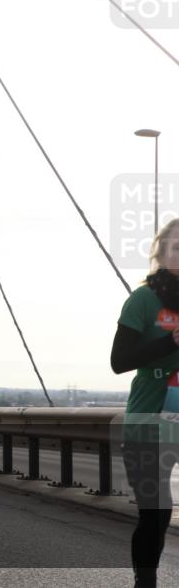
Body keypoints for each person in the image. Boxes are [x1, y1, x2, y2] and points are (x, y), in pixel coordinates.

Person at [110, 218, 179, 588]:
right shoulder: (143, 299)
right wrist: (171, 343)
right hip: (147, 421)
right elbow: (119, 361)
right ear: (162, 253)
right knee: (155, 512)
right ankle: (146, 581)